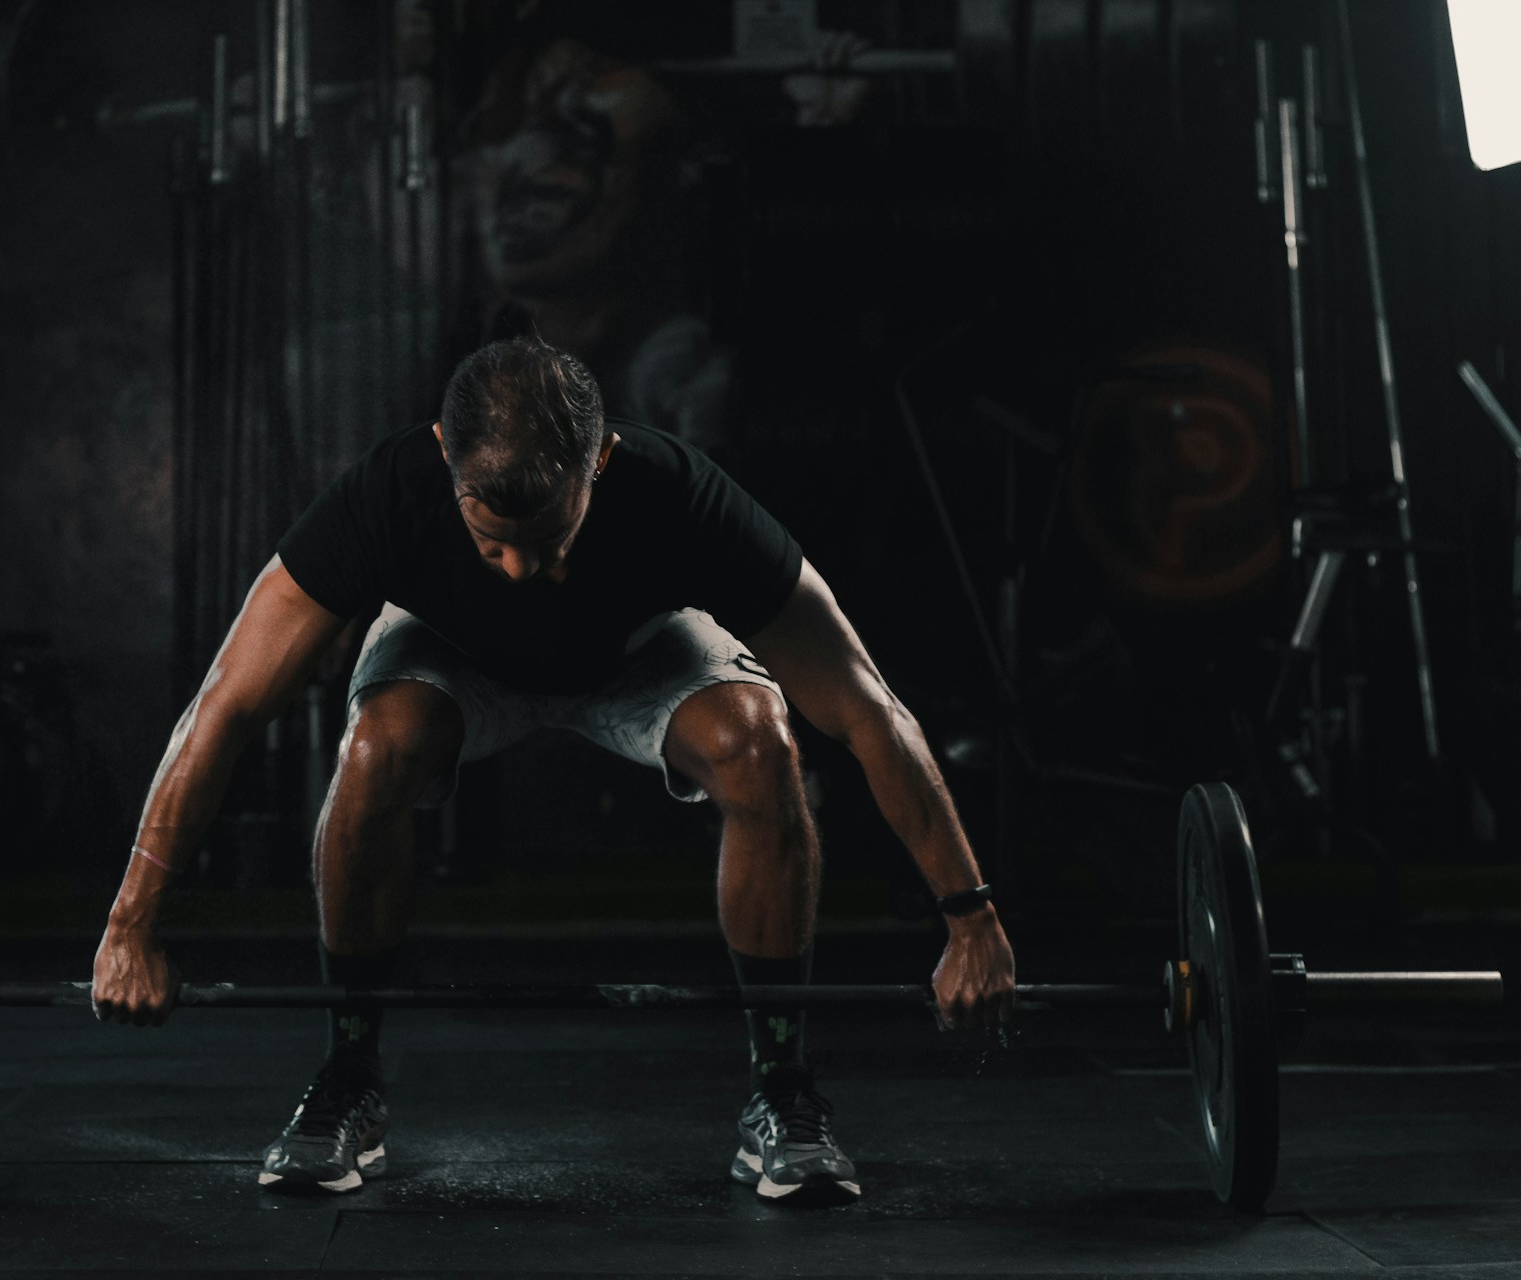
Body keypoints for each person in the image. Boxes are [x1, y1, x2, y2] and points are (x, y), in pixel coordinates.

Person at [91, 338, 1017, 1205]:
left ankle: (782, 1087)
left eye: (551, 540)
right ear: (444, 458)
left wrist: (969, 916)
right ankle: (348, 1077)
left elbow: (864, 706)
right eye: (491, 541)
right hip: (454, 661)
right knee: (375, 750)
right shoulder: (385, 498)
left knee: (761, 743)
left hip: (635, 657)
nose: (521, 571)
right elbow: (226, 707)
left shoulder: (681, 497)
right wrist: (131, 925)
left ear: (601, 461)